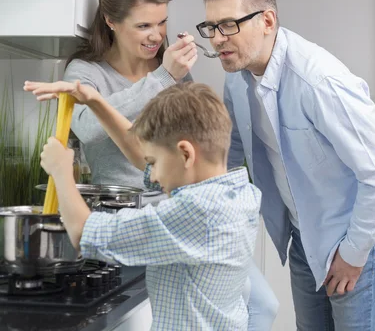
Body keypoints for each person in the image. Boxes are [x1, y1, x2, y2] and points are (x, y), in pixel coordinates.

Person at [58, 0, 278, 330]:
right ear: (111, 21)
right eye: (144, 25)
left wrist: (169, 74)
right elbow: (85, 128)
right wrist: (162, 77)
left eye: (160, 23)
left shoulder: (169, 67)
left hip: (186, 212)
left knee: (263, 305)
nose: (156, 35)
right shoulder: (88, 72)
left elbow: (188, 132)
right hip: (131, 217)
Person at [197, 0, 375, 330]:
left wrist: (353, 254)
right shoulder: (236, 78)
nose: (216, 39)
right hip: (303, 235)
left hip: (355, 236)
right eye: (211, 27)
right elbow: (230, 156)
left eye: (228, 25)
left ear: (267, 21)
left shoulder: (319, 81)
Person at [37, 81, 261, 330]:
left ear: (185, 154)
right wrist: (95, 101)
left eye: (154, 163)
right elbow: (139, 153)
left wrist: (61, 173)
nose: (152, 177)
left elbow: (85, 233)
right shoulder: (238, 192)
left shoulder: (197, 212)